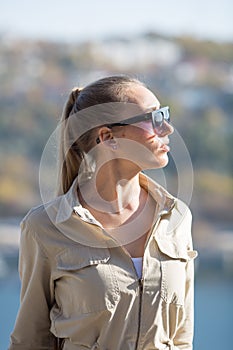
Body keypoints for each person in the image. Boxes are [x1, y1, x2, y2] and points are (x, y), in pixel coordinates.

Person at [9, 75, 197, 350]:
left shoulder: (177, 217)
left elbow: (182, 337)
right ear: (108, 137)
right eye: (153, 118)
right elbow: (30, 342)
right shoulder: (44, 228)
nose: (167, 128)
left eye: (164, 114)